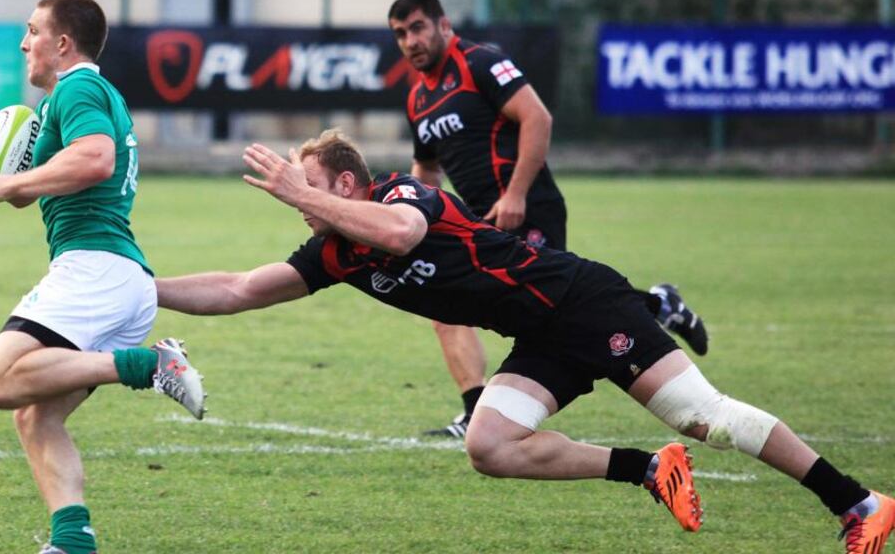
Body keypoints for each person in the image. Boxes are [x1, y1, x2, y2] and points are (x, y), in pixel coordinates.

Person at [157, 130, 893, 553]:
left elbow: (405, 234)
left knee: (707, 417)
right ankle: (647, 471)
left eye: (311, 186)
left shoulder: (396, 198)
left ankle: (858, 503)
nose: (299, 202)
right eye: (294, 189)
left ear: (346, 183)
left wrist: (296, 189)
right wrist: (145, 287)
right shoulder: (333, 251)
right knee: (490, 446)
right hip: (539, 332)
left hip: (581, 300)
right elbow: (238, 288)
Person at [387, 0, 708, 438]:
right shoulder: (418, 97)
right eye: (400, 33)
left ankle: (649, 319)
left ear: (444, 26)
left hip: (527, 205)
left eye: (417, 28)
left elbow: (537, 118)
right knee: (448, 304)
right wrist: (414, 217)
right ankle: (474, 409)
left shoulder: (480, 64)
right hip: (478, 220)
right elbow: (427, 169)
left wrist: (516, 193)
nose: (409, 41)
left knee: (556, 307)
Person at [0, 0, 206, 554]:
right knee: (35, 417)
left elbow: (96, 158)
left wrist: (6, 182)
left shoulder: (80, 87)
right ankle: (73, 542)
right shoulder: (64, 100)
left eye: (32, 31)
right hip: (118, 281)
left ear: (62, 44)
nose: (23, 43)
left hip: (95, 269)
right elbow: (28, 184)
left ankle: (153, 364)